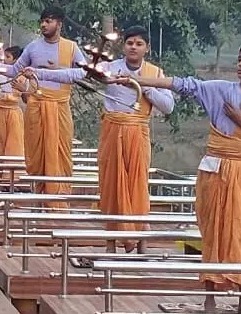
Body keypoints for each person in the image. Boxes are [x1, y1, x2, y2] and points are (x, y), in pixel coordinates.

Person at [117, 42, 241, 313]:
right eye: (240, 59)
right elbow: (181, 85)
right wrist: (137, 80)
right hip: (213, 172)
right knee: (212, 232)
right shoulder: (219, 90)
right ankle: (210, 299)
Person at [33, 26, 175, 251]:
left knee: (137, 185)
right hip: (112, 132)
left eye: (139, 44)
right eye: (130, 43)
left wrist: (143, 84)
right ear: (123, 46)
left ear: (146, 48)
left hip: (138, 134)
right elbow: (79, 75)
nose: (133, 47)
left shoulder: (155, 73)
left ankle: (140, 241)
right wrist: (40, 72)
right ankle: (110, 243)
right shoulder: (110, 67)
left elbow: (168, 107)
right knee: (110, 186)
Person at [5, 7, 86, 200]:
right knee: (35, 155)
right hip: (36, 106)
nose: (43, 25)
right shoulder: (32, 47)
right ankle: (39, 199)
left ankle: (59, 200)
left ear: (59, 24)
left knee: (61, 153)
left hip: (60, 108)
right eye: (42, 21)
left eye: (48, 21)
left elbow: (82, 73)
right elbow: (13, 70)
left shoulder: (71, 47)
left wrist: (47, 72)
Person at [0, 45, 27, 157]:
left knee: (14, 141)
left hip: (14, 113)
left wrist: (23, 89)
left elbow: (27, 99)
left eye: (8, 57)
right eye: (4, 56)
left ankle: (12, 167)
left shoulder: (23, 76)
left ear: (16, 60)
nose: (5, 59)